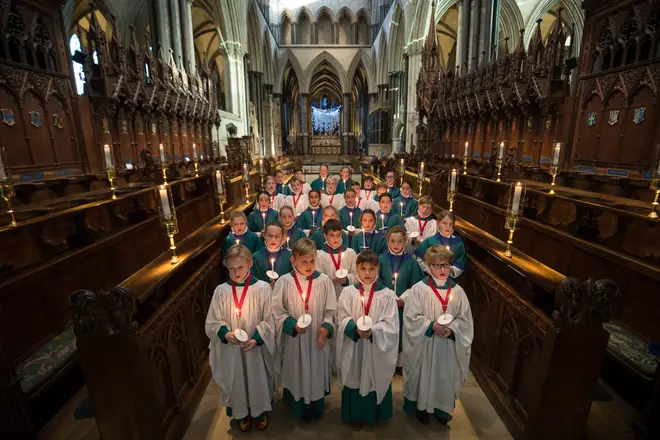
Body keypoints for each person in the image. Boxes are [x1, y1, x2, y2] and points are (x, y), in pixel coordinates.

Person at [205, 245, 275, 432]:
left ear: (250, 264)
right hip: (232, 348)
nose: (236, 273)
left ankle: (259, 412)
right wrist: (225, 333)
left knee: (256, 378)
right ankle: (241, 412)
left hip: (254, 348)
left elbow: (269, 319)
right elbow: (212, 322)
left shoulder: (262, 288)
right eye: (231, 269)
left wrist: (257, 338)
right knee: (236, 379)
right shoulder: (221, 291)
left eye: (240, 267)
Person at [402, 245, 473, 425]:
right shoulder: (419, 289)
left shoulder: (458, 292)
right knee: (424, 375)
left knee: (444, 377)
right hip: (426, 344)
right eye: (437, 265)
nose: (442, 270)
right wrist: (430, 326)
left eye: (446, 265)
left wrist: (452, 330)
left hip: (447, 346)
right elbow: (411, 318)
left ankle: (441, 409)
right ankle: (422, 408)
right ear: (429, 266)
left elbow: (465, 321)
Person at [272, 239, 337, 422]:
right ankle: (296, 407)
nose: (309, 266)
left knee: (315, 371)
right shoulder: (284, 282)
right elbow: (276, 312)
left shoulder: (323, 281)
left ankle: (316, 407)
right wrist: (292, 325)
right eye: (304, 261)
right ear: (293, 260)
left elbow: (331, 310)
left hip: (316, 339)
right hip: (295, 341)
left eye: (312, 261)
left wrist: (326, 327)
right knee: (296, 371)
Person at [336, 250, 398, 431]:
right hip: (354, 347)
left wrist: (374, 331)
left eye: (372, 269)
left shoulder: (387, 295)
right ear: (356, 269)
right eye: (363, 269)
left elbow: (391, 324)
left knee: (373, 376)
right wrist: (354, 329)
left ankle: (375, 413)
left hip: (375, 347)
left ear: (378, 269)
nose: (368, 273)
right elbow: (342, 316)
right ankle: (355, 415)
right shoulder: (348, 292)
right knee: (355, 376)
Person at [378, 226, 425, 375]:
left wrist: (404, 298)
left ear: (405, 242)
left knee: (401, 333)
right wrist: (389, 296)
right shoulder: (381, 260)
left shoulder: (410, 262)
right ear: (387, 241)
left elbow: (417, 284)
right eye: (393, 241)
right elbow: (376, 281)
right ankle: (385, 361)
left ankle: (399, 363)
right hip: (384, 304)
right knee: (386, 332)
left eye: (399, 241)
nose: (396, 245)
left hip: (403, 306)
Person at [413, 209, 467, 278]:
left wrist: (451, 269)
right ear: (438, 223)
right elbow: (419, 259)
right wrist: (431, 271)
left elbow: (461, 263)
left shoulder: (458, 242)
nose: (448, 227)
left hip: (449, 280)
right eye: (444, 223)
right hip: (431, 277)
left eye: (450, 224)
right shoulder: (430, 241)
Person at [315, 219, 358, 298]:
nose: (335, 239)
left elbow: (356, 275)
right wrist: (331, 279)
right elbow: (317, 279)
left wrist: (347, 279)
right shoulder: (319, 255)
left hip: (346, 295)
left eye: (338, 235)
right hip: (327, 295)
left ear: (342, 234)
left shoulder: (350, 253)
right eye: (332, 235)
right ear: (325, 235)